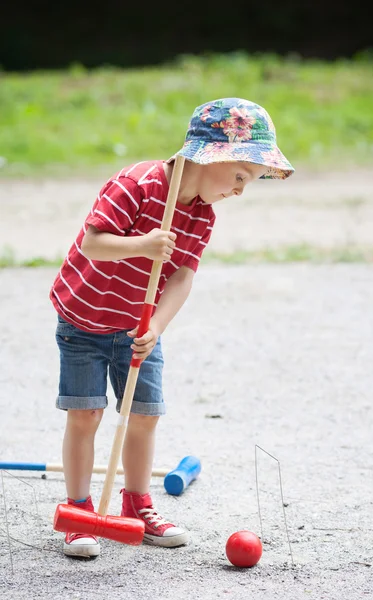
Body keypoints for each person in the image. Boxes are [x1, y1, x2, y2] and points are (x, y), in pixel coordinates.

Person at [50, 97, 295, 558]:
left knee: (143, 416)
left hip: (139, 328)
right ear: (209, 155)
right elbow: (94, 244)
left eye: (251, 182)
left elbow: (182, 276)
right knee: (85, 415)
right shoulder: (137, 184)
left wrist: (157, 325)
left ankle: (137, 504)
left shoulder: (203, 215)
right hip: (84, 319)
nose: (242, 190)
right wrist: (146, 243)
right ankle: (78, 509)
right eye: (240, 176)